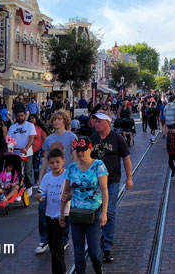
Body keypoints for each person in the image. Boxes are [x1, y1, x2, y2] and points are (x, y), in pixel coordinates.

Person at [60, 137, 108, 274]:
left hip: (94, 212)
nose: (80, 154)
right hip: (76, 213)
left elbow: (104, 189)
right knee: (78, 252)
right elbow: (66, 192)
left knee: (94, 252)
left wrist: (104, 212)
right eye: (78, 151)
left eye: (83, 150)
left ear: (90, 149)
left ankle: (98, 268)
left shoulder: (98, 165)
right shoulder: (72, 168)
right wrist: (62, 213)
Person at [90, 111, 133, 263]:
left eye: (100, 122)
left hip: (112, 181)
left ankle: (107, 246)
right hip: (94, 182)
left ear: (108, 123)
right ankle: (96, 240)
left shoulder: (117, 139)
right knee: (95, 211)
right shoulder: (92, 138)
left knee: (109, 211)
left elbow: (126, 158)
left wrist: (129, 178)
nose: (97, 124)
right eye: (95, 122)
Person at [36, 110, 77, 255]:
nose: (56, 122)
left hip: (65, 178)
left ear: (64, 121)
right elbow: (45, 159)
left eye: (59, 119)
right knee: (43, 209)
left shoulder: (72, 137)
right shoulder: (49, 139)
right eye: (54, 119)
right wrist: (41, 178)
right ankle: (44, 239)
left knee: (64, 209)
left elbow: (74, 158)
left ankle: (64, 239)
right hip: (50, 177)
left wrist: (74, 177)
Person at [38, 148, 69, 274]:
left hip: (63, 215)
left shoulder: (67, 175)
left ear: (63, 161)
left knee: (57, 247)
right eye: (52, 163)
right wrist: (40, 197)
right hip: (49, 214)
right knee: (52, 246)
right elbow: (42, 192)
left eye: (57, 162)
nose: (55, 165)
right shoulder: (47, 177)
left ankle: (60, 272)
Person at [7, 109, 36, 195]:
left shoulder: (30, 126)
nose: (20, 117)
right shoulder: (12, 127)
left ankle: (29, 186)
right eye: (18, 116)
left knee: (27, 171)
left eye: (22, 116)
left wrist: (26, 148)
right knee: (16, 171)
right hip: (15, 153)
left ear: (25, 116)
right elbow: (9, 139)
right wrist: (10, 146)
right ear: (16, 117)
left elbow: (31, 138)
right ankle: (17, 187)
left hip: (27, 153)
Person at [30, 114, 49, 183]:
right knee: (28, 167)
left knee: (36, 166)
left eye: (33, 118)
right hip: (28, 150)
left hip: (38, 149)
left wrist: (44, 150)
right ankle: (28, 181)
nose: (31, 120)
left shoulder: (39, 128)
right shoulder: (27, 128)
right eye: (30, 118)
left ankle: (36, 180)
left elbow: (45, 139)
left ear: (36, 119)